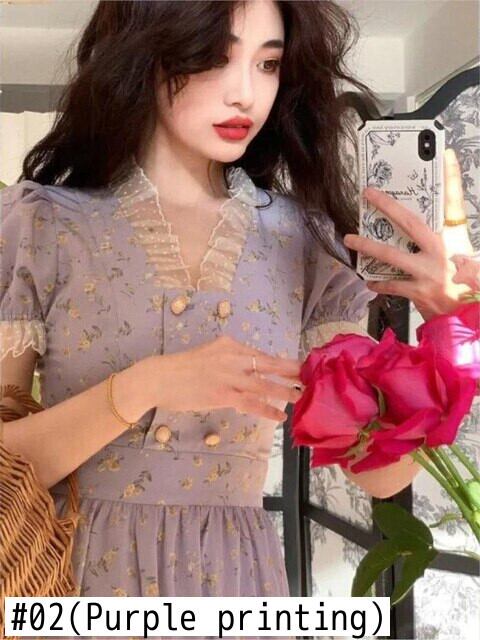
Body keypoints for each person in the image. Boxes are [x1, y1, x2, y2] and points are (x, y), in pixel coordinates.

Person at [0, 0, 476, 621]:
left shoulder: (305, 240)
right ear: (146, 53)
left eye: (268, 64)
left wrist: (449, 328)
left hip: (237, 586)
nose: (246, 93)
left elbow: (382, 479)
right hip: (73, 583)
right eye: (215, 57)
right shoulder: (44, 225)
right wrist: (145, 385)